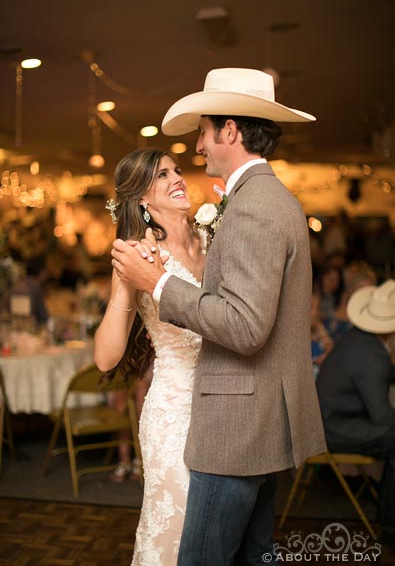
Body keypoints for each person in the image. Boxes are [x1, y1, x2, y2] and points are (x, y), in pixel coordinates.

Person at [110, 67, 327, 565]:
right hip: (250, 418)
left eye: (205, 132)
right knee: (252, 556)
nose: (199, 147)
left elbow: (247, 328)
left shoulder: (252, 207)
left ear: (230, 131)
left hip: (232, 426)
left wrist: (159, 285)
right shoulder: (269, 199)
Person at [94, 148, 205, 565]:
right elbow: (106, 358)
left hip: (224, 407)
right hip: (174, 414)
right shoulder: (138, 254)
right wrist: (124, 286)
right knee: (175, 533)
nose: (177, 178)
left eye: (177, 170)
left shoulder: (211, 237)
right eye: (162, 176)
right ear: (143, 200)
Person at [316, 279, 395, 542]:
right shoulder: (375, 356)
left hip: (327, 420)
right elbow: (382, 418)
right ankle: (390, 525)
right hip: (334, 430)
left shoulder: (359, 338)